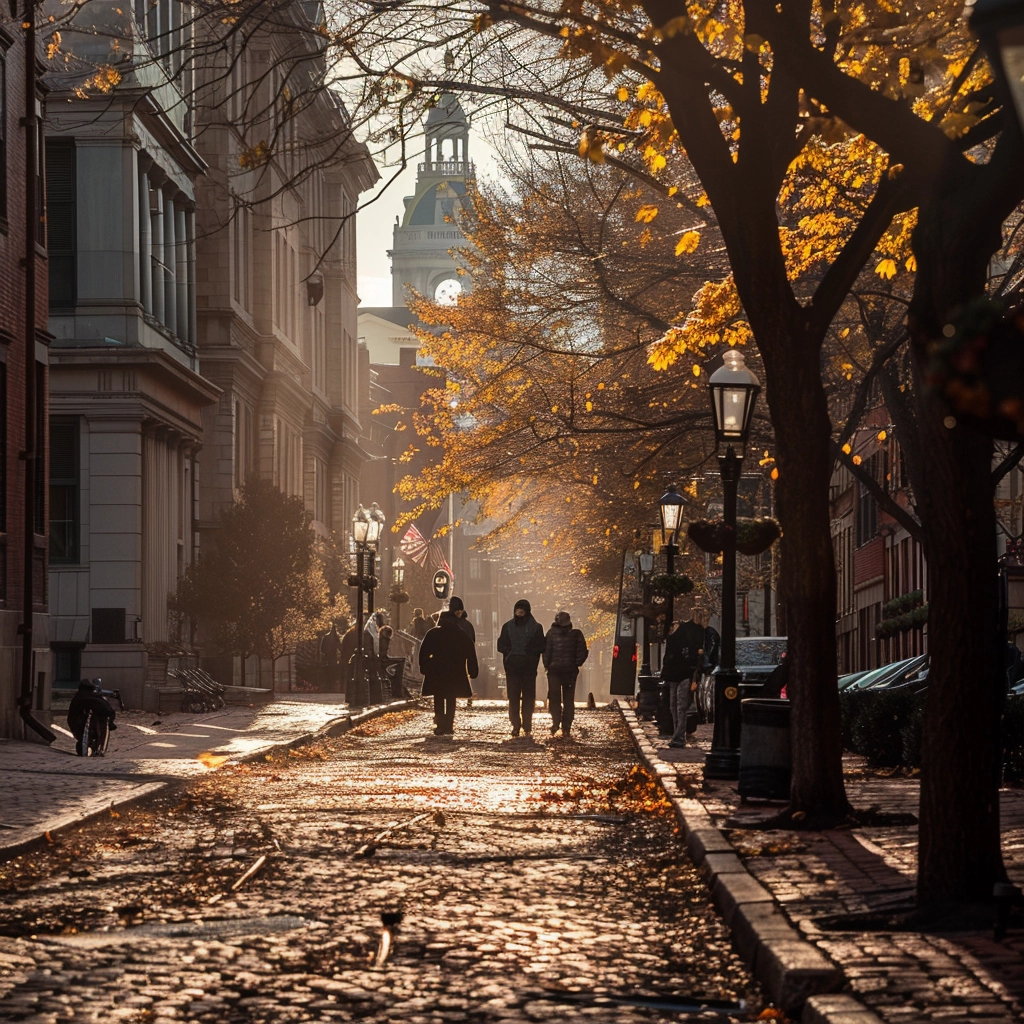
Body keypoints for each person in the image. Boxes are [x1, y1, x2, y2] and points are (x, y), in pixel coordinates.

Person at [419, 608, 479, 735]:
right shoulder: (461, 634)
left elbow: (423, 652)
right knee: (451, 697)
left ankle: (440, 723)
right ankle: (449, 724)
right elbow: (470, 653)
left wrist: (424, 667)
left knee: (439, 697)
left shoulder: (433, 633)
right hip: (456, 671)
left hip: (437, 670)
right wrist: (473, 670)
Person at [497, 599, 546, 737]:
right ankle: (517, 724)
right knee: (516, 697)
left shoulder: (535, 628)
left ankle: (525, 724)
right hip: (516, 667)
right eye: (518, 610)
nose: (519, 613)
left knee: (526, 697)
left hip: (526, 668)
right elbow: (501, 645)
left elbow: (541, 646)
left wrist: (511, 653)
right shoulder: (510, 627)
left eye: (521, 611)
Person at [661, 607, 705, 748]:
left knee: (680, 706)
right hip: (674, 674)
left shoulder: (688, 634)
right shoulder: (673, 638)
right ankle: (678, 734)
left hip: (684, 673)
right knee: (674, 706)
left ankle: (679, 736)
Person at [543, 611, 589, 738]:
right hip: (569, 672)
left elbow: (546, 652)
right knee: (568, 699)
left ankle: (556, 722)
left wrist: (547, 665)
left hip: (555, 671)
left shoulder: (551, 634)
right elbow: (583, 652)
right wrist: (576, 664)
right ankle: (566, 726)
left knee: (555, 698)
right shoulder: (576, 635)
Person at [67, 679, 117, 753]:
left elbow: (71, 717)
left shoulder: (79, 697)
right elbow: (109, 711)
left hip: (79, 724)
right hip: (81, 724)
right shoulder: (96, 698)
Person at [319, 622, 343, 689]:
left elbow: (322, 649)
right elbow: (339, 647)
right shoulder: (334, 637)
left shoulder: (326, 637)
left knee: (328, 671)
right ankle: (331, 685)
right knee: (332, 671)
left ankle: (329, 685)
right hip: (332, 657)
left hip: (328, 657)